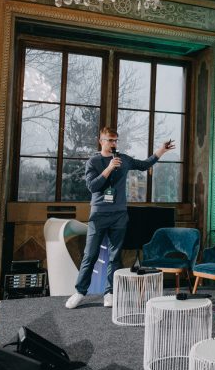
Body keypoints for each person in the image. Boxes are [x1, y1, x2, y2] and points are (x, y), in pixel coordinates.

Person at [65, 127, 175, 309]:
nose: (113, 143)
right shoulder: (93, 161)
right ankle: (80, 292)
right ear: (101, 141)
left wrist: (161, 150)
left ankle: (109, 292)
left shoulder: (123, 159)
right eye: (110, 140)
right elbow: (93, 187)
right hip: (99, 214)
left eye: (116, 140)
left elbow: (144, 165)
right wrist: (109, 168)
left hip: (119, 215)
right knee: (90, 255)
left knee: (115, 257)